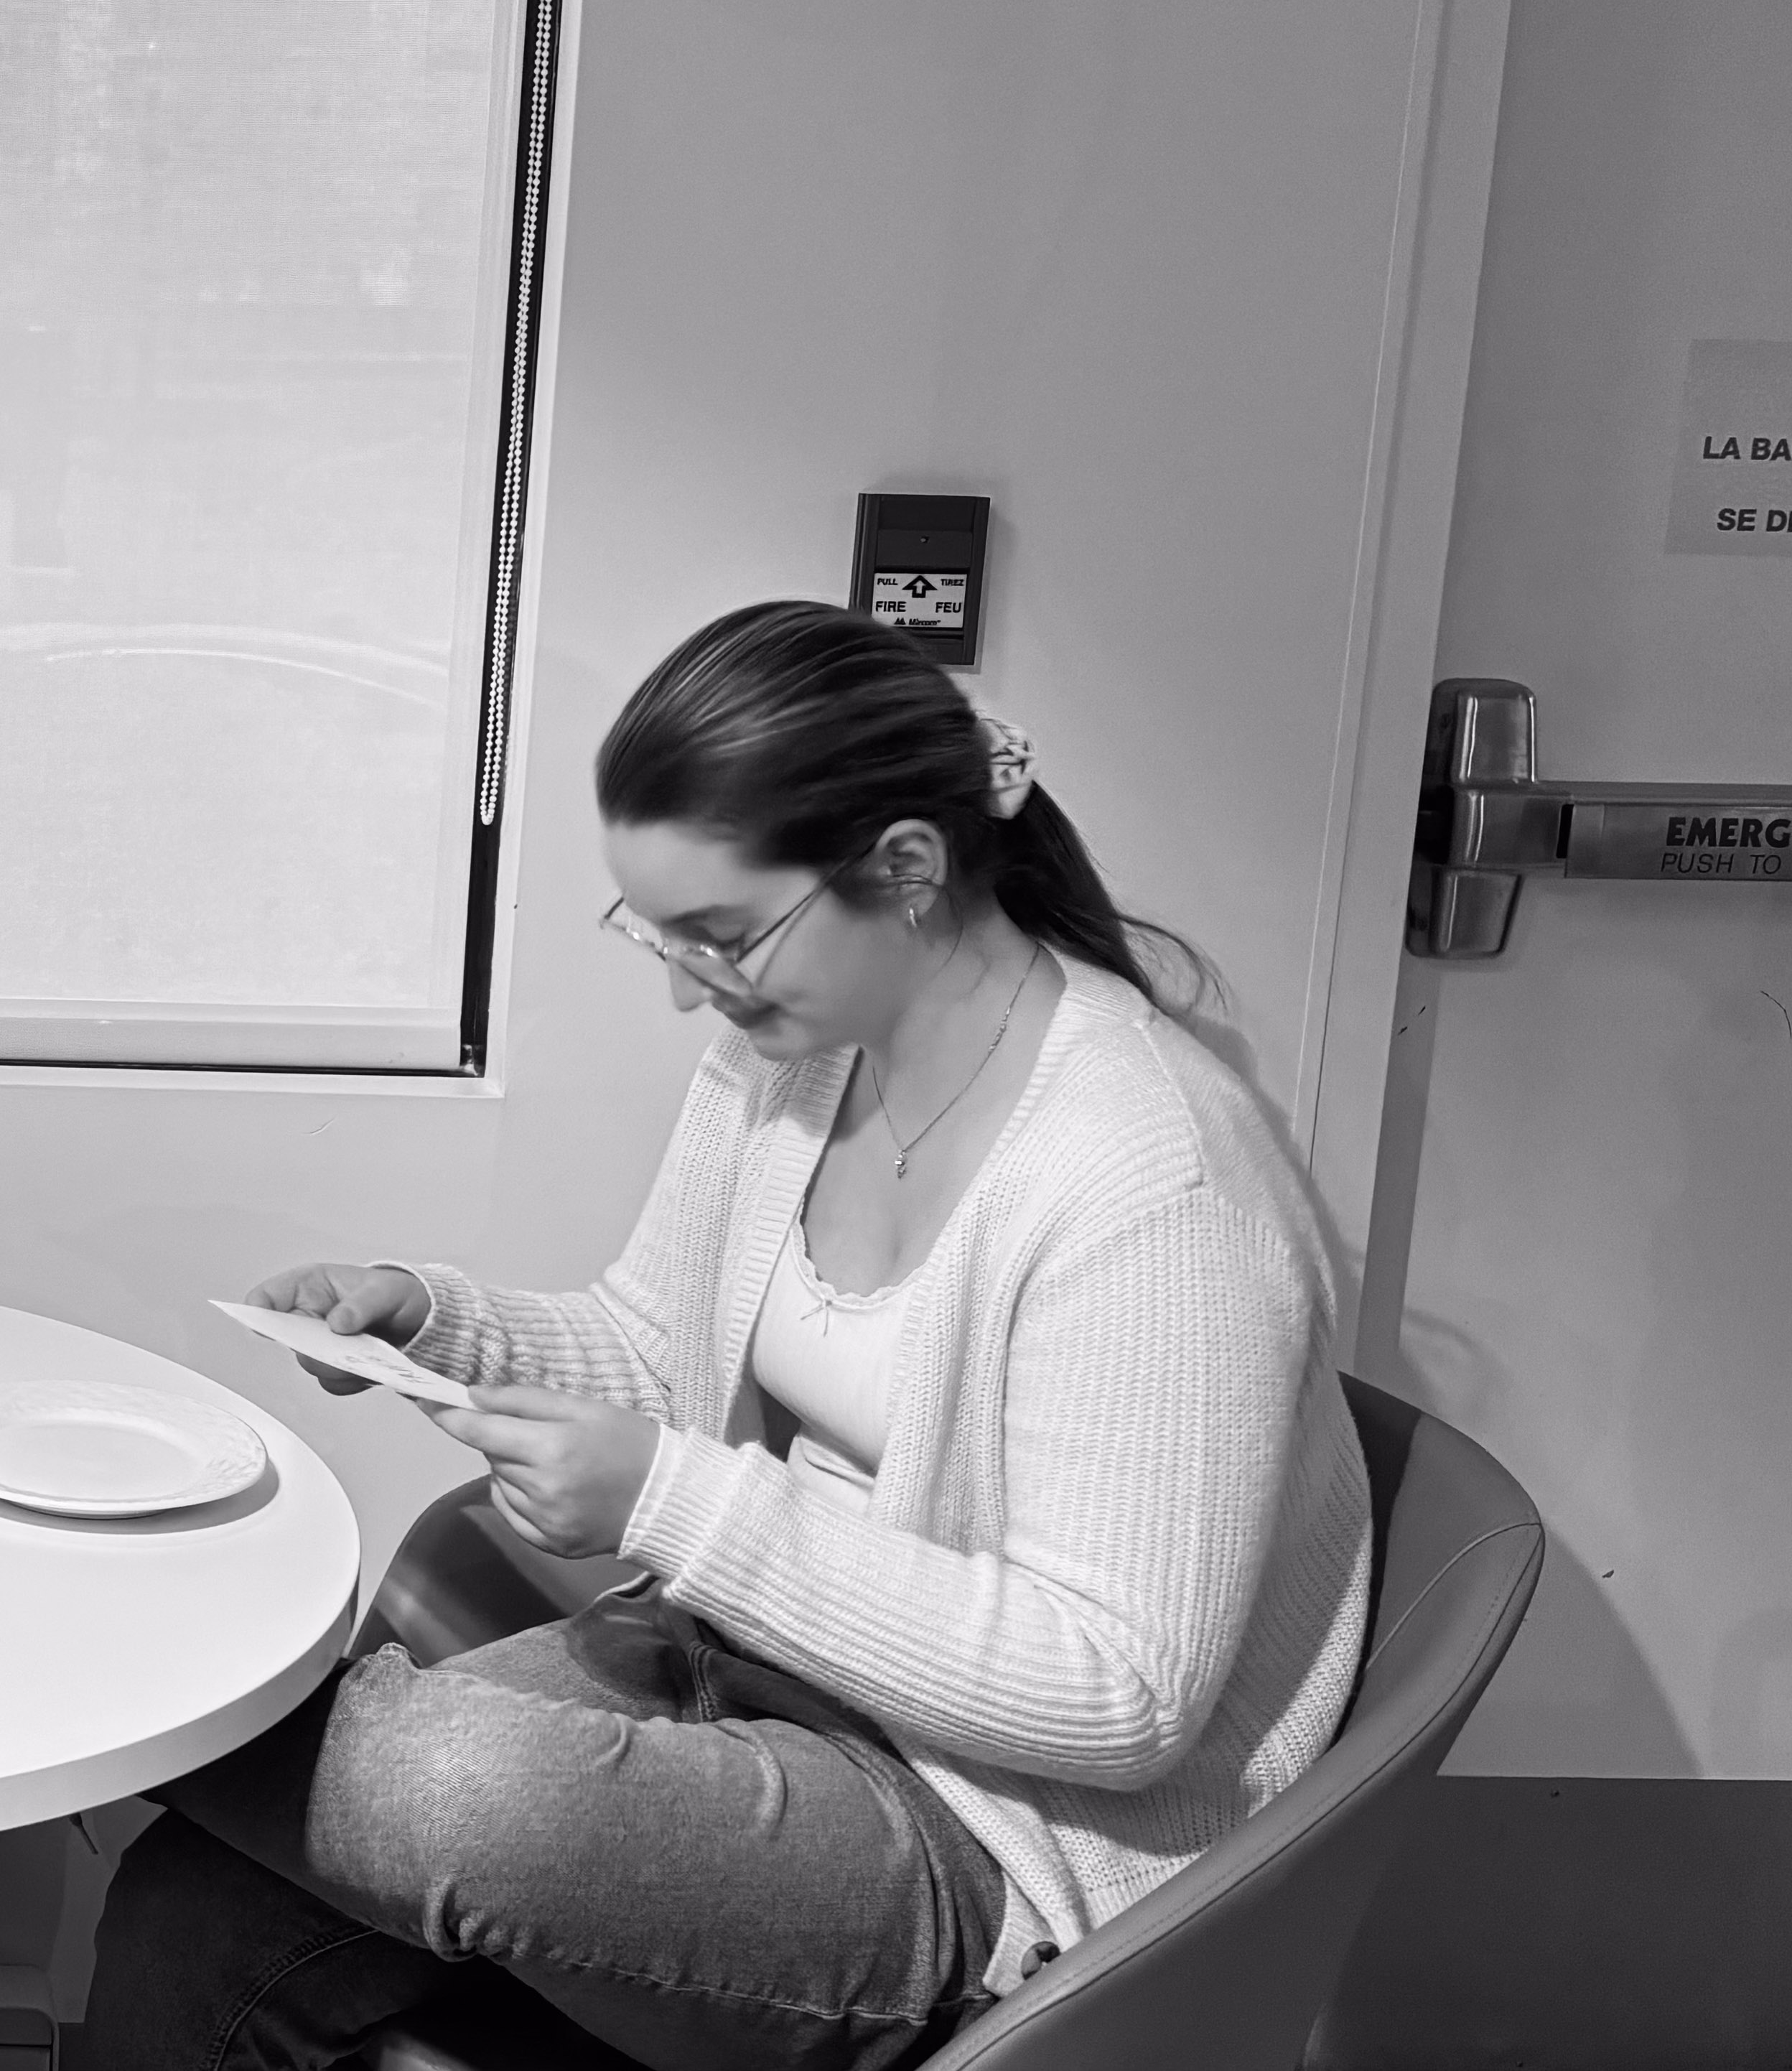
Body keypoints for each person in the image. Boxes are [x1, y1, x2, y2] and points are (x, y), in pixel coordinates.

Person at [87, 600, 1372, 2071]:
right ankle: (89, 1694)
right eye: (658, 930)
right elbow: (658, 1350)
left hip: (991, 1833)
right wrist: (434, 1321)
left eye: (720, 933)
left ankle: (58, 1690)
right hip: (741, 1668)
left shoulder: (1153, 1178)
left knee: (438, 1783)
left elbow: (1117, 1693)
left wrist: (669, 1501)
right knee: (196, 1908)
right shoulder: (794, 1066)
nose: (685, 982)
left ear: (907, 868)